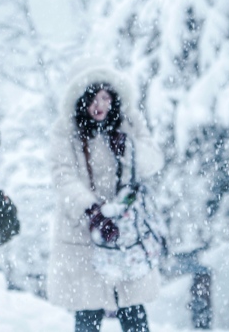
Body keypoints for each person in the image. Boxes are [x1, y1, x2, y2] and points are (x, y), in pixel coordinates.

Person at [47, 63, 164, 332]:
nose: (100, 105)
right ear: (82, 100)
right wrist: (92, 212)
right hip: (82, 232)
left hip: (125, 230)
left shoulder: (128, 123)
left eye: (106, 98)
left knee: (132, 308)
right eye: (94, 98)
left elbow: (154, 161)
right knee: (88, 310)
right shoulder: (65, 130)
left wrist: (129, 148)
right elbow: (62, 175)